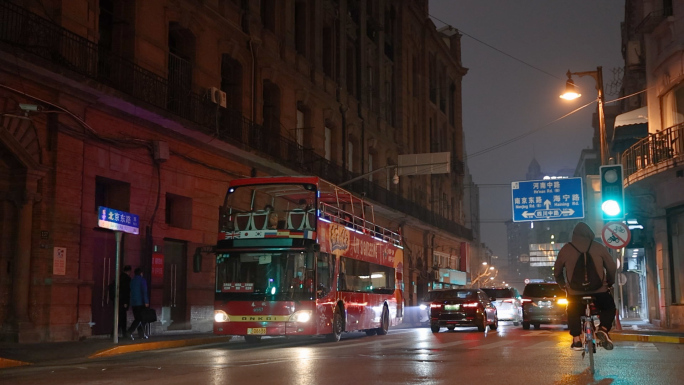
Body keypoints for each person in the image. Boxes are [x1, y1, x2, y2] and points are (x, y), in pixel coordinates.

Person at [554, 222, 617, 351]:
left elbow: (557, 271)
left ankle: (576, 339)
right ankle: (603, 329)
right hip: (599, 290)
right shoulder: (598, 247)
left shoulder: (566, 249)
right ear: (590, 234)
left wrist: (563, 285)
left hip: (575, 291)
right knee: (609, 307)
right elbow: (611, 266)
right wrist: (609, 282)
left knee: (573, 310)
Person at [127, 267, 150, 340]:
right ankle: (130, 331)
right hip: (141, 303)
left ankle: (141, 334)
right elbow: (144, 291)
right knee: (140, 319)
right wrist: (146, 301)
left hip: (133, 303)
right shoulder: (142, 280)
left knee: (138, 318)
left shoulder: (132, 280)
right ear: (141, 273)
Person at [115, 265, 132, 337]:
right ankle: (123, 333)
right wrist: (125, 302)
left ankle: (115, 333)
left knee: (118, 317)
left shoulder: (119, 277)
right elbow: (126, 291)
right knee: (122, 317)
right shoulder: (127, 279)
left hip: (118, 300)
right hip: (123, 301)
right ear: (129, 271)